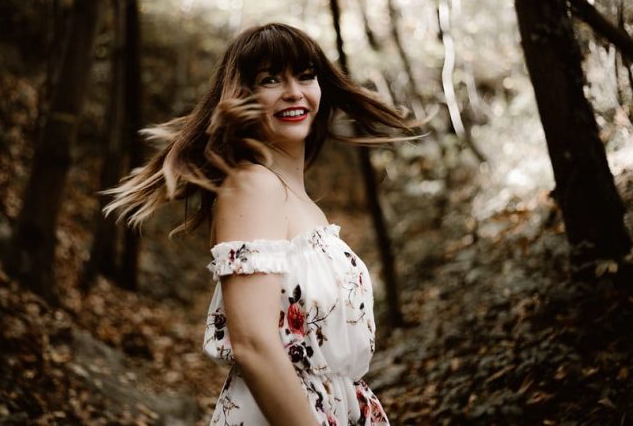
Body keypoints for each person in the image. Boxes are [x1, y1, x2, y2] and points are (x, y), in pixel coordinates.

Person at [103, 23, 415, 425]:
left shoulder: (301, 204)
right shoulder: (253, 187)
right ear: (243, 96)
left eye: (305, 75)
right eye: (270, 79)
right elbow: (253, 344)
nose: (294, 91)